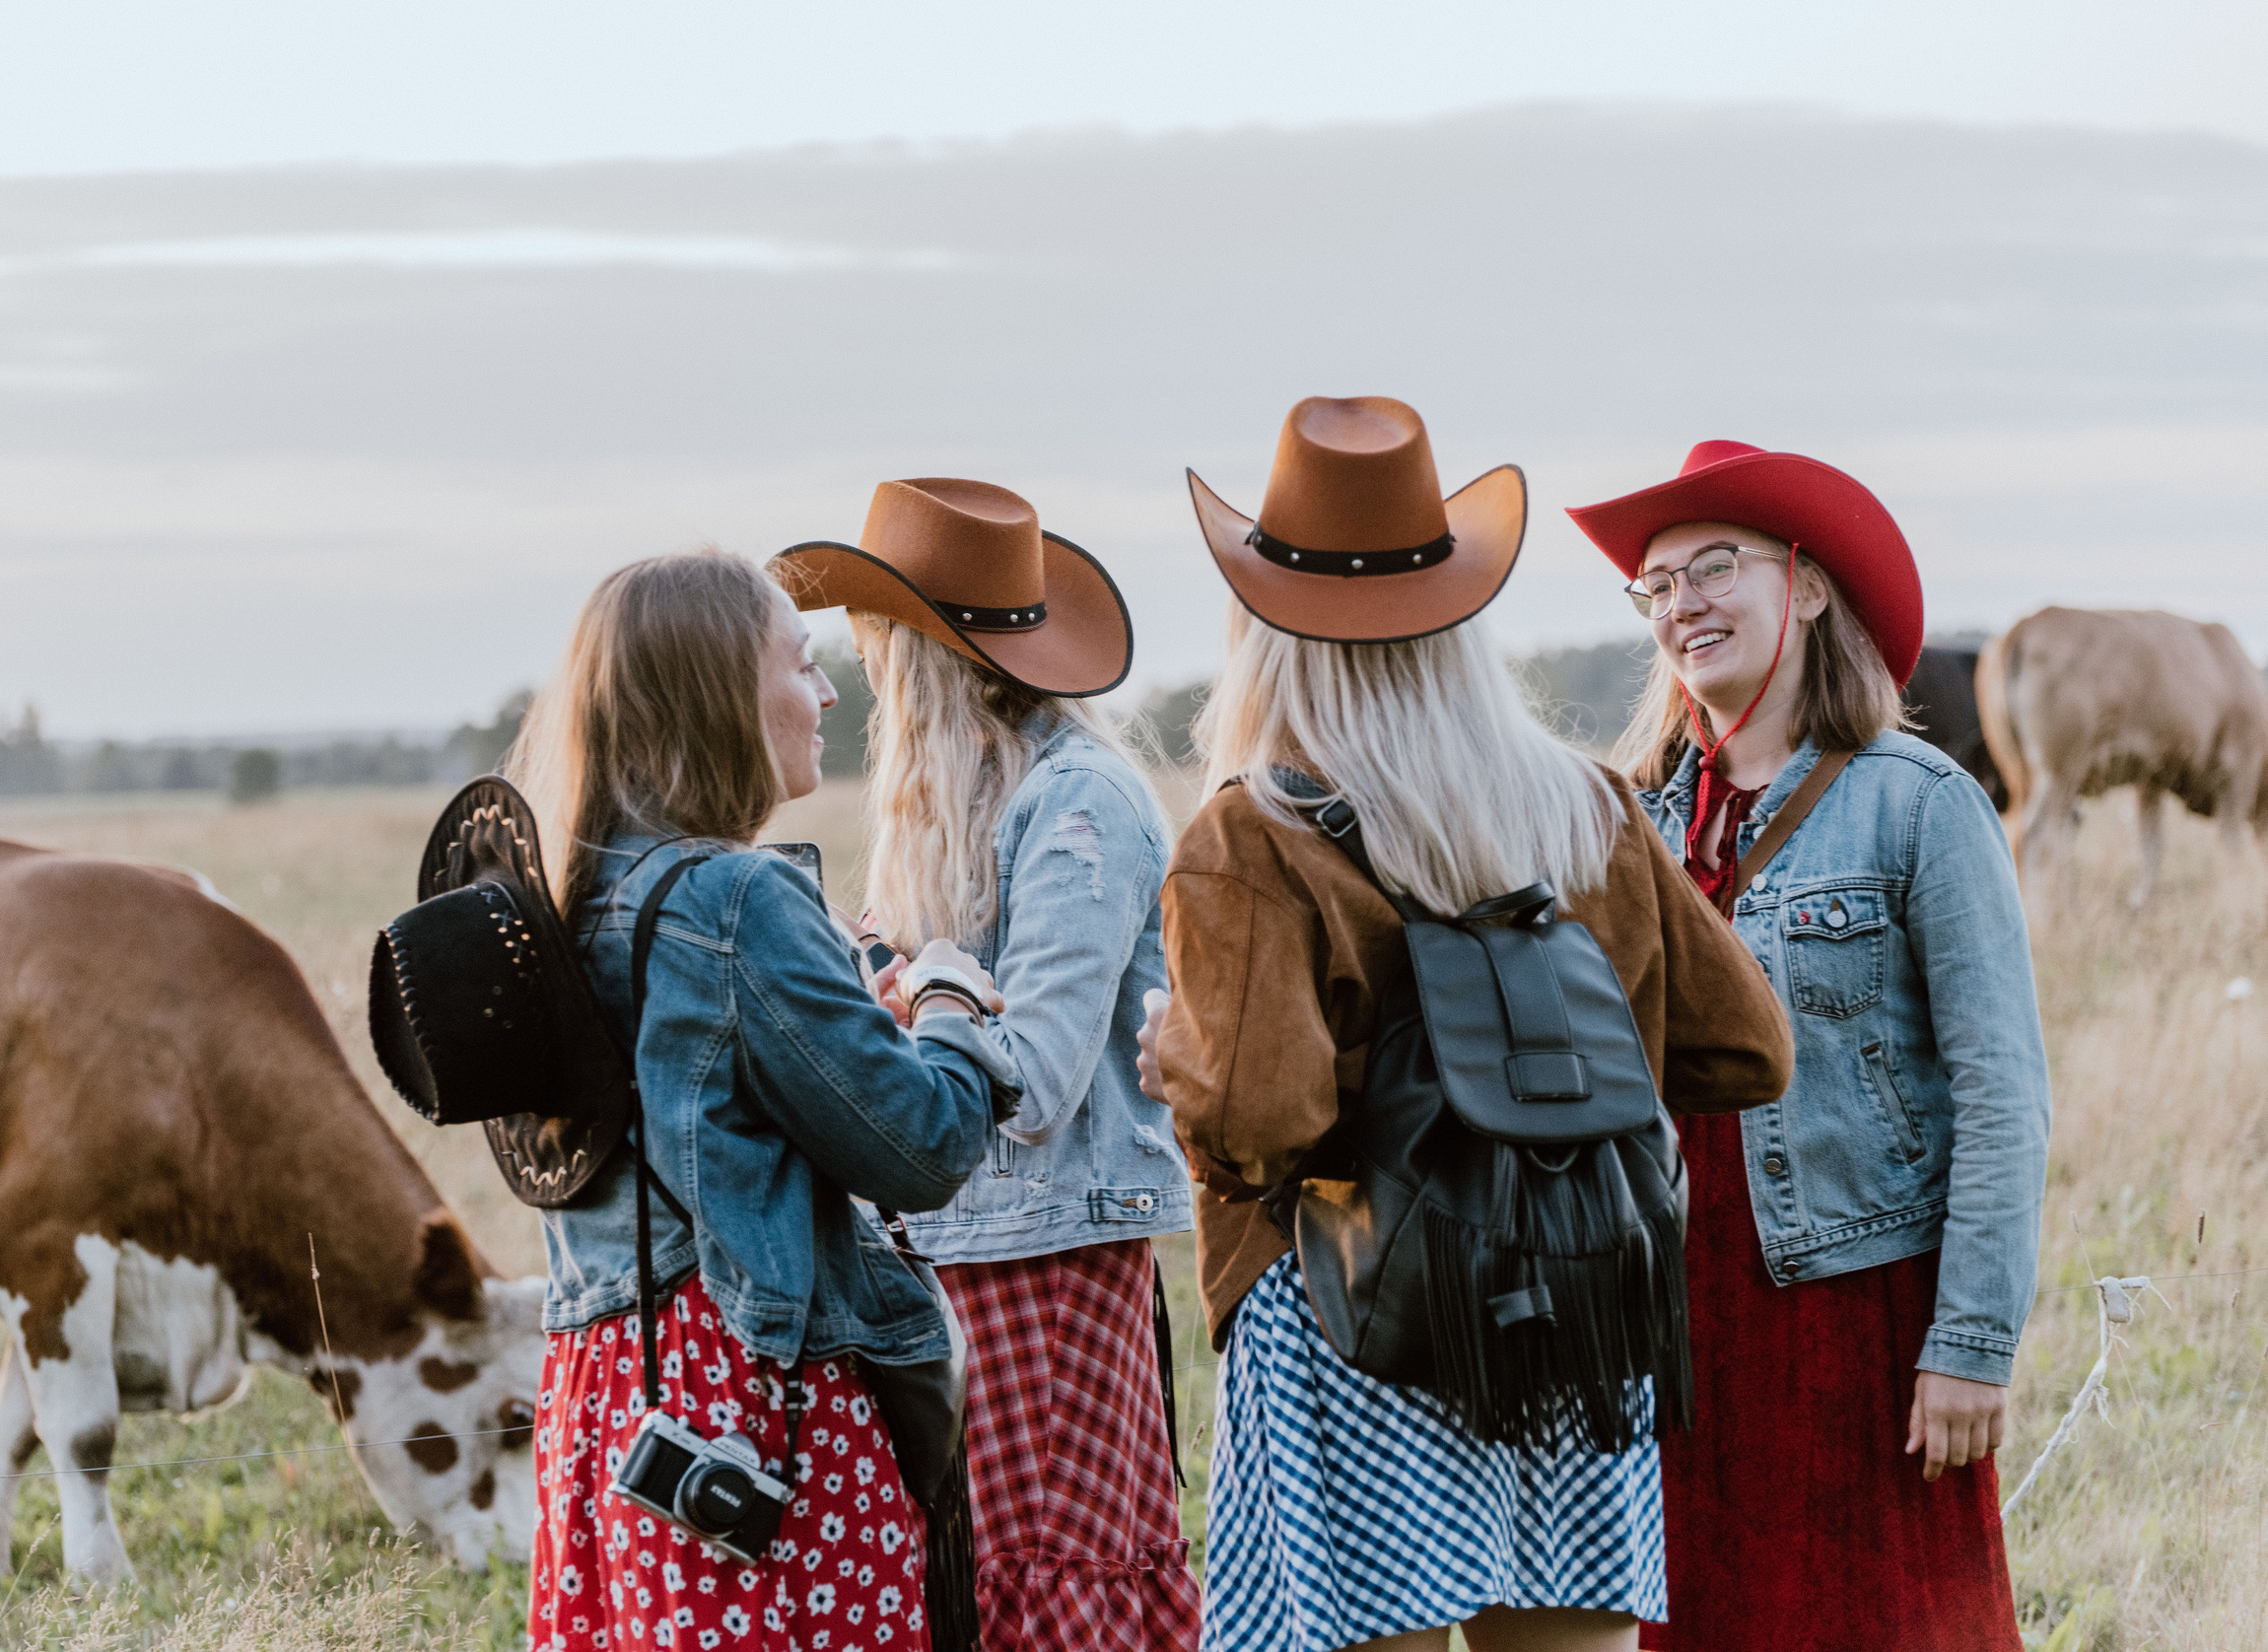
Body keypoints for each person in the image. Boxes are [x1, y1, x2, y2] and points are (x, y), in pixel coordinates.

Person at [1138, 397, 1795, 1652]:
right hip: (1573, 1294)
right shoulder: (1586, 806)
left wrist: (1183, 1055)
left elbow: (1265, 1121)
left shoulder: (1250, 832)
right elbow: (1748, 1047)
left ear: (1264, 628)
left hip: (1354, 1313)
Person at [1568, 441, 2051, 1651]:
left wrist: (1971, 1343)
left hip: (1858, 1311)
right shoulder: (1624, 818)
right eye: (1657, 584)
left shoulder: (1923, 802)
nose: (1681, 603)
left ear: (1811, 583)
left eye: (1712, 566)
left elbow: (2002, 1091)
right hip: (1674, 1313)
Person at [509, 550, 1021, 1652]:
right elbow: (922, 1145)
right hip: (746, 1383)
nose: (828, 692)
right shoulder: (737, 898)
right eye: (799, 665)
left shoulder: (571, 896)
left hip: (609, 1391)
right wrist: (946, 1004)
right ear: (718, 696)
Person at [774, 478, 1202, 1651]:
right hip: (962, 1251)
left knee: (1048, 1583)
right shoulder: (967, 796)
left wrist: (917, 992)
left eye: (875, 633)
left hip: (1046, 1255)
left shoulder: (1075, 803)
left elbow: (1038, 1071)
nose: (856, 663)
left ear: (924, 652)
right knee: (975, 1583)